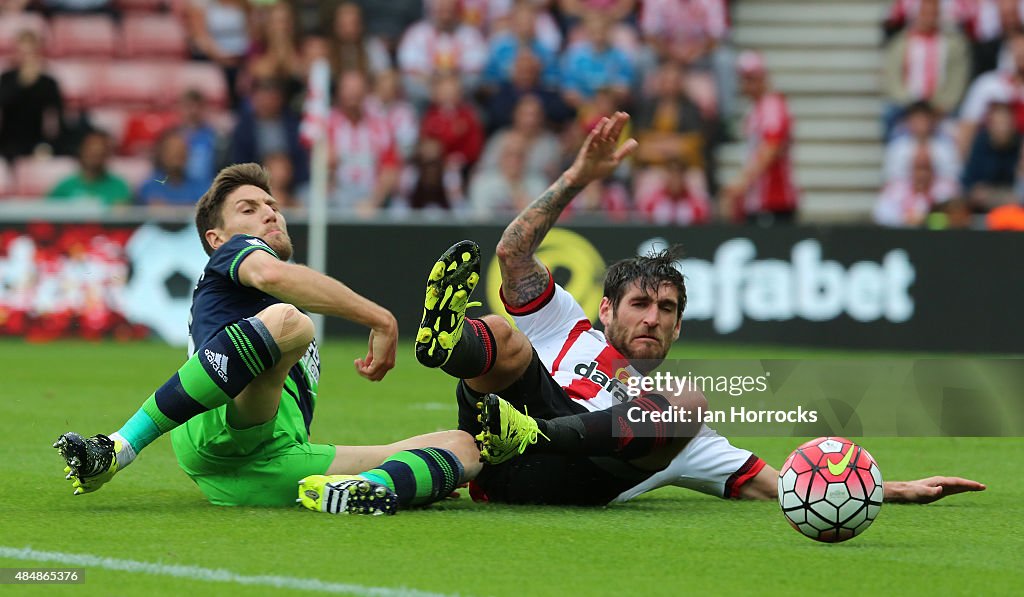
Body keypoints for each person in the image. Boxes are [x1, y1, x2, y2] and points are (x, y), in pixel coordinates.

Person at [414, 111, 986, 506]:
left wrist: (886, 487)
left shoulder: (686, 432)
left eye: (666, 310)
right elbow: (513, 252)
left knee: (686, 404)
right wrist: (575, 178)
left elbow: (787, 483)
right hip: (491, 437)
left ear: (679, 326)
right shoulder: (566, 323)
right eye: (640, 303)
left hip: (557, 472)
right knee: (500, 333)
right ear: (605, 309)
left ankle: (529, 431)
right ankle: (447, 344)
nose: (652, 318)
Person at [55, 162, 481, 515]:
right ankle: (118, 447)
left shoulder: (273, 295)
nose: (269, 213)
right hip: (221, 430)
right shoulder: (231, 258)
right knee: (292, 323)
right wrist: (382, 319)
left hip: (274, 460)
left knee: (463, 448)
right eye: (249, 208)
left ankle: (363, 489)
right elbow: (272, 274)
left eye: (272, 205)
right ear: (216, 238)